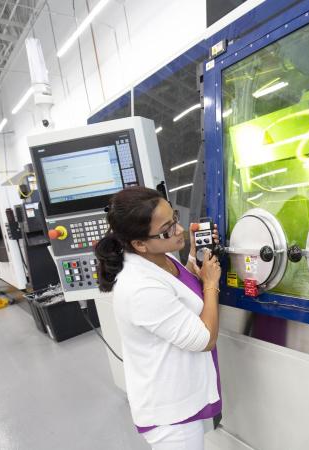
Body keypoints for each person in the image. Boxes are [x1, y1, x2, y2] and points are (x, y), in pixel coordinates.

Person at [95, 186, 222, 450]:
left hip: (180, 392)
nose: (179, 230)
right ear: (139, 244)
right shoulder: (139, 287)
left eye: (174, 218)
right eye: (167, 229)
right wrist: (211, 284)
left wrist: (194, 260)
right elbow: (205, 339)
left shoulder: (156, 257)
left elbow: (175, 287)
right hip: (170, 415)